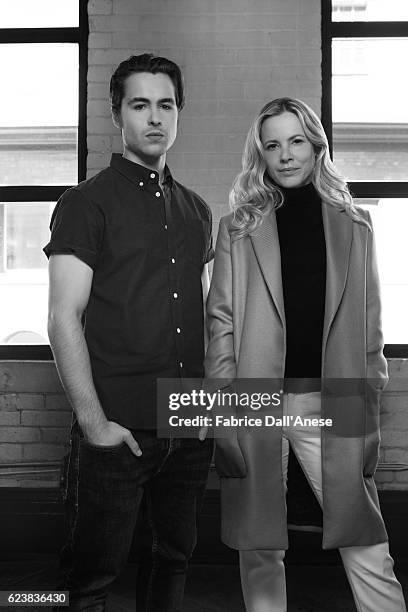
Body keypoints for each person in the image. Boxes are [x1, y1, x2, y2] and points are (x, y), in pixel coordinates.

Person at [204, 97, 406, 612]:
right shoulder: (237, 229)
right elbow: (220, 329)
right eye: (273, 145)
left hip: (331, 404)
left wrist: (366, 417)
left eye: (296, 141)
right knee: (260, 546)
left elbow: (370, 338)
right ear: (261, 155)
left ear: (316, 146)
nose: (286, 155)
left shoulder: (356, 226)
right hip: (256, 404)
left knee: (366, 542)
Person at [44, 53, 214, 612]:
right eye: (140, 105)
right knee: (89, 583)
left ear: (178, 113)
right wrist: (95, 425)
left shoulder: (196, 210)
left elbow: (208, 316)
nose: (155, 117)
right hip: (116, 432)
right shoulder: (85, 204)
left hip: (188, 427)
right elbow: (63, 317)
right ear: (118, 114)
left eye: (166, 104)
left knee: (174, 561)